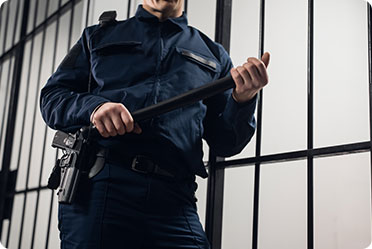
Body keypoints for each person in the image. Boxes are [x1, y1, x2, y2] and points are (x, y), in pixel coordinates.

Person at [40, 0, 270, 248]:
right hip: (103, 184)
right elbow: (52, 97)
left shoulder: (214, 54)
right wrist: (94, 108)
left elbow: (226, 143)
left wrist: (244, 99)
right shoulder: (97, 36)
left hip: (175, 198)